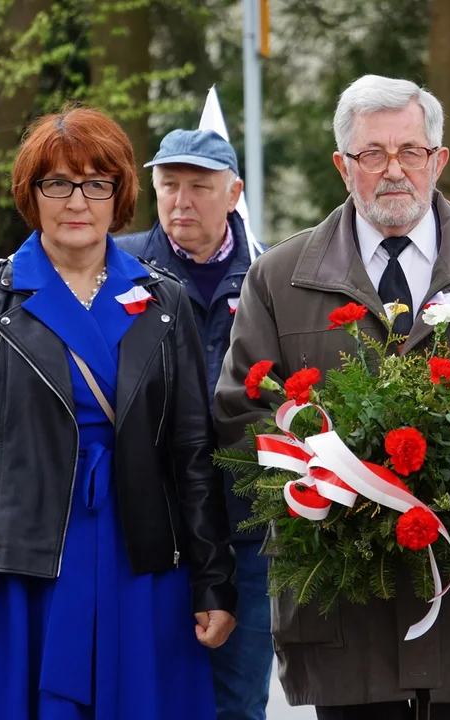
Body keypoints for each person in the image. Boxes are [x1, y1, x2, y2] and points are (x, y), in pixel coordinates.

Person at [213, 74, 450, 720]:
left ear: (437, 160)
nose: (393, 170)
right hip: (344, 610)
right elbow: (239, 417)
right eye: (371, 154)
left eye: (410, 151)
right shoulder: (279, 277)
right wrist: (329, 492)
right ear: (341, 165)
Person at [0, 106, 237, 720]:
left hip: (140, 561)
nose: (77, 200)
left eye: (97, 183)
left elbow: (192, 454)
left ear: (118, 195)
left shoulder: (163, 299)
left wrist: (212, 579)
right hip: (22, 568)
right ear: (31, 193)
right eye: (57, 183)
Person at [116, 128, 270, 720]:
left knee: (237, 698)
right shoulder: (118, 266)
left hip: (246, 528)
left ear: (233, 193)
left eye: (199, 187)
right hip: (147, 523)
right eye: (168, 185)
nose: (181, 200)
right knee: (144, 693)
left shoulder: (268, 274)